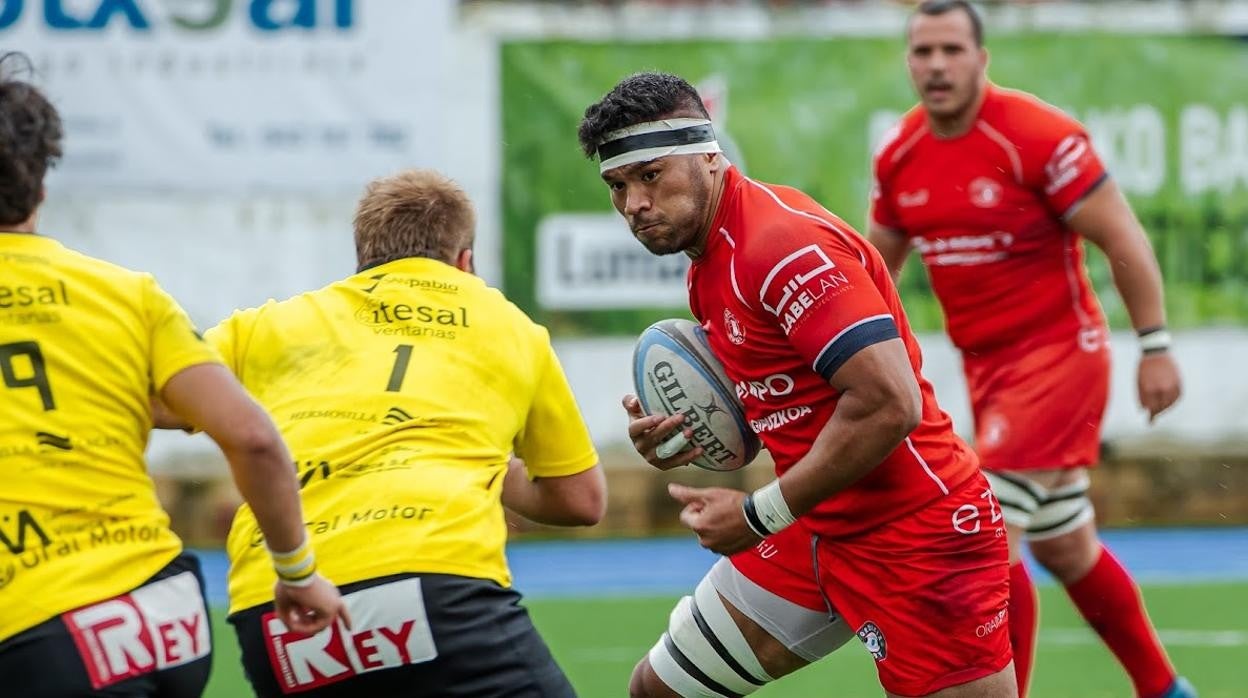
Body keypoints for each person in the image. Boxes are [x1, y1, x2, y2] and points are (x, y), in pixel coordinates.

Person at [579, 71, 1017, 698]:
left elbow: (891, 403)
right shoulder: (710, 261)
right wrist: (695, 430)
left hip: (915, 534)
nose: (634, 204)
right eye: (618, 186)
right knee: (659, 690)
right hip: (812, 525)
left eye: (651, 175)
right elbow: (787, 406)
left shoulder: (781, 246)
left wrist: (759, 514)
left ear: (709, 153)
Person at [866, 3, 1192, 697]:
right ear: (908, 62)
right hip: (987, 374)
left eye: (952, 49)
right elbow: (874, 273)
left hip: (1059, 358)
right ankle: (1166, 689)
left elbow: (1123, 237)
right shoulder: (900, 155)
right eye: (923, 51)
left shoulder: (1036, 136)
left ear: (982, 57)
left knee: (985, 534)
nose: (937, 65)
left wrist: (1156, 345)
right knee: (1065, 545)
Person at [0, 51, 345, 698]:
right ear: (44, 183)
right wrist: (297, 572)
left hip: (34, 626)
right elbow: (253, 437)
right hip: (165, 613)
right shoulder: (126, 294)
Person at [187, 168, 606, 697]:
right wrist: (464, 462)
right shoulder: (510, 325)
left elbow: (160, 399)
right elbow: (579, 497)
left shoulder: (272, 324)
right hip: (436, 581)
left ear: (363, 259)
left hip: (279, 608)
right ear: (465, 262)